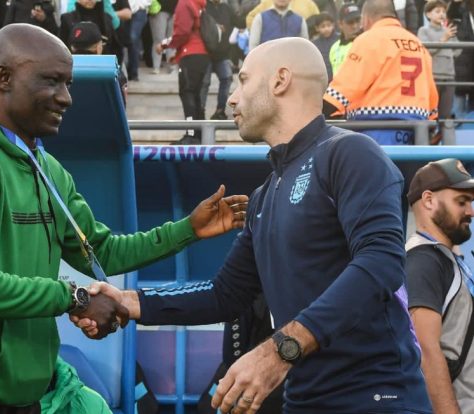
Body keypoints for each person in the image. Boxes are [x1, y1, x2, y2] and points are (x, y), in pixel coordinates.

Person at [0, 23, 248, 414]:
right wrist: (73, 298)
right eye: (51, 81)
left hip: (21, 398)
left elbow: (102, 252)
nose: (66, 98)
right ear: (3, 77)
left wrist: (187, 230)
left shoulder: (47, 169)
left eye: (68, 83)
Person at [75, 37, 432, 414]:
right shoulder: (265, 194)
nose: (231, 98)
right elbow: (225, 294)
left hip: (375, 399)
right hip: (304, 401)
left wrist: (280, 351)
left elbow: (381, 262)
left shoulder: (350, 154)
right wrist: (129, 302)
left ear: (280, 80)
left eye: (243, 80)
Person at [405, 158, 474, 414]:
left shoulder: (442, 258)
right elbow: (425, 351)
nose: (471, 211)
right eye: (461, 202)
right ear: (429, 200)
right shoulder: (423, 261)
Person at [323, 0, 438, 145]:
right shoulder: (418, 45)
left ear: (366, 18)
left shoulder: (369, 40)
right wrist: (432, 120)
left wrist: (320, 111)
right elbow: (431, 94)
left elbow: (344, 88)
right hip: (416, 130)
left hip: (376, 128)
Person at [156, 0, 209, 145]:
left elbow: (182, 32)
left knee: (187, 93)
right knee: (195, 95)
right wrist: (177, 56)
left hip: (190, 54)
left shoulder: (184, 3)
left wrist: (164, 45)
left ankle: (191, 134)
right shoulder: (198, 3)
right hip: (202, 54)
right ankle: (200, 134)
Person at [418, 0, 460, 144]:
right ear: (428, 14)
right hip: (433, 77)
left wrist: (448, 50)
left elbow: (458, 50)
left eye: (443, 11)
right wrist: (444, 39)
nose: (441, 14)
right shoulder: (423, 31)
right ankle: (427, 142)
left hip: (449, 76)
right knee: (431, 113)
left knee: (446, 115)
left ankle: (447, 145)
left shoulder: (448, 30)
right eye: (437, 11)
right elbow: (426, 50)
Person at [200, 0, 236, 120]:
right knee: (204, 82)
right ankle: (200, 111)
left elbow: (237, 23)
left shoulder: (226, 8)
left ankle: (220, 111)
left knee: (227, 78)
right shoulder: (203, 7)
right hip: (205, 53)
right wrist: (215, 28)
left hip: (222, 54)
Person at [328, 2, 360, 76]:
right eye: (350, 22)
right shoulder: (334, 48)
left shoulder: (367, 45)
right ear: (340, 24)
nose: (355, 26)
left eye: (358, 21)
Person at [311, 12, 338, 80]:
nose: (326, 29)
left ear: (333, 25)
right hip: (323, 78)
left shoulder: (339, 40)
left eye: (329, 25)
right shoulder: (315, 44)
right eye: (323, 26)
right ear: (317, 28)